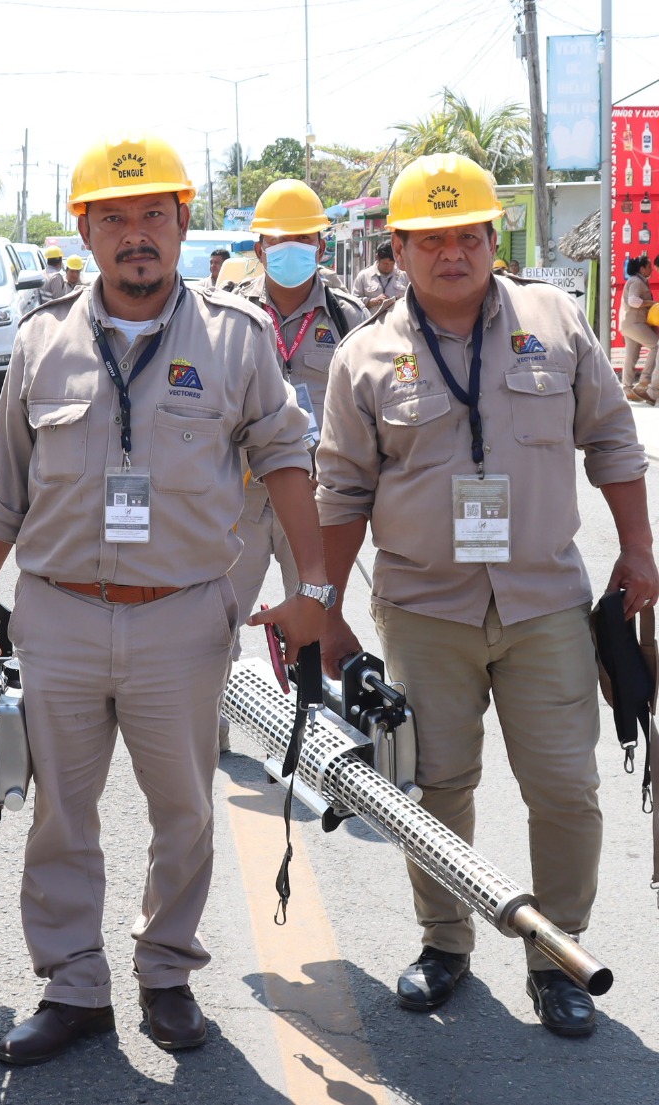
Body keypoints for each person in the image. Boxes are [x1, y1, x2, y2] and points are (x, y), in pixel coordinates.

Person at [0, 130, 327, 1066]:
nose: (135, 236)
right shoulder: (40, 342)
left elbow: (286, 457)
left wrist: (314, 586)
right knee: (61, 814)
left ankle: (166, 971)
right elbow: (5, 489)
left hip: (183, 615)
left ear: (182, 224)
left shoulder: (236, 339)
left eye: (152, 216)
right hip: (61, 613)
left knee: (185, 810)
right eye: (114, 218)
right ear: (84, 231)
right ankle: (73, 985)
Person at [315, 153, 655, 1037]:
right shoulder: (365, 356)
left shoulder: (556, 320)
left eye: (468, 233)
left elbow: (615, 442)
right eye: (432, 237)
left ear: (491, 237)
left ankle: (559, 956)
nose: (453, 252)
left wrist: (641, 551)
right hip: (425, 610)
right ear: (398, 247)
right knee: (437, 787)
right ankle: (445, 942)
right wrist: (323, 607)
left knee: (565, 788)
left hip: (544, 603)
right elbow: (341, 492)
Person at [222, 179, 367, 751]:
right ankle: (211, 740)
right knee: (218, 621)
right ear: (259, 250)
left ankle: (315, 745)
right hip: (244, 495)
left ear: (321, 247)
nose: (290, 250)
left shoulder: (346, 317)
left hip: (320, 500)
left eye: (303, 240)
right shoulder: (228, 317)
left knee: (318, 619)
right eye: (278, 241)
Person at [620, 254, 656, 403]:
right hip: (634, 323)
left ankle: (627, 389)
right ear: (642, 269)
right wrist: (652, 303)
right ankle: (645, 380)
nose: (651, 270)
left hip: (628, 324)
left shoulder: (636, 281)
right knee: (657, 346)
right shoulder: (637, 281)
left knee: (631, 356)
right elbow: (634, 302)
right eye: (648, 267)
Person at [352, 241, 409, 309]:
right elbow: (353, 302)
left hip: (397, 319)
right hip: (372, 319)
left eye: (392, 263)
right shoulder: (363, 276)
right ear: (377, 258)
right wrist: (371, 302)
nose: (389, 267)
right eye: (385, 263)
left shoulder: (404, 275)